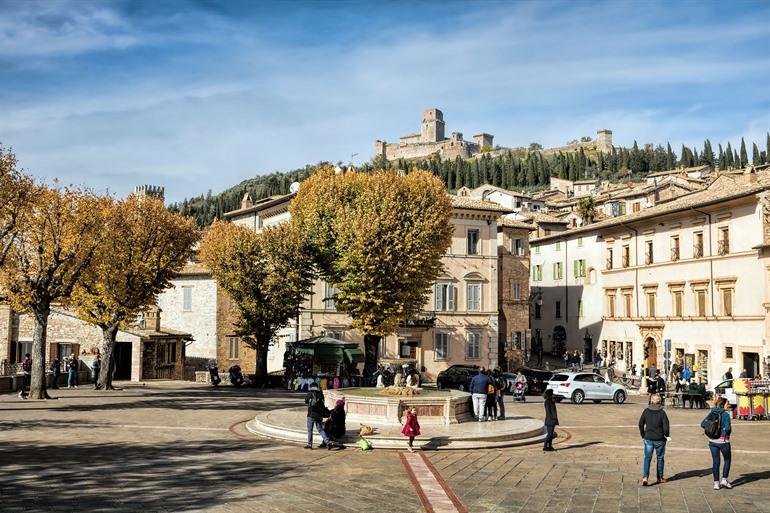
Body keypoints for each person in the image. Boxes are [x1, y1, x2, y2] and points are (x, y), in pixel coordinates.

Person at [638, 393, 670, 486]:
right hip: (660, 439)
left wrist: (643, 434)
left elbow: (640, 424)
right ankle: (659, 477)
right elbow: (666, 427)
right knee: (660, 458)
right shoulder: (662, 413)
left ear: (651, 401)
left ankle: (645, 477)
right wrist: (666, 436)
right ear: (660, 402)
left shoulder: (646, 411)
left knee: (647, 458)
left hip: (648, 438)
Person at [701, 397, 732, 490]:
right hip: (723, 441)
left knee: (716, 462)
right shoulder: (726, 415)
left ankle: (716, 483)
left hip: (712, 441)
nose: (729, 405)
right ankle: (724, 480)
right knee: (727, 459)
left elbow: (702, 424)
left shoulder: (712, 412)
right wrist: (724, 431)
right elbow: (727, 428)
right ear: (723, 404)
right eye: (728, 403)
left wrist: (712, 429)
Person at [304, 383, 331, 449]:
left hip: (311, 414)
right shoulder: (320, 394)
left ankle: (309, 444)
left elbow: (306, 402)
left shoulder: (309, 393)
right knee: (320, 429)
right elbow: (323, 404)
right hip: (319, 415)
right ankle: (328, 442)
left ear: (311, 386)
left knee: (310, 430)